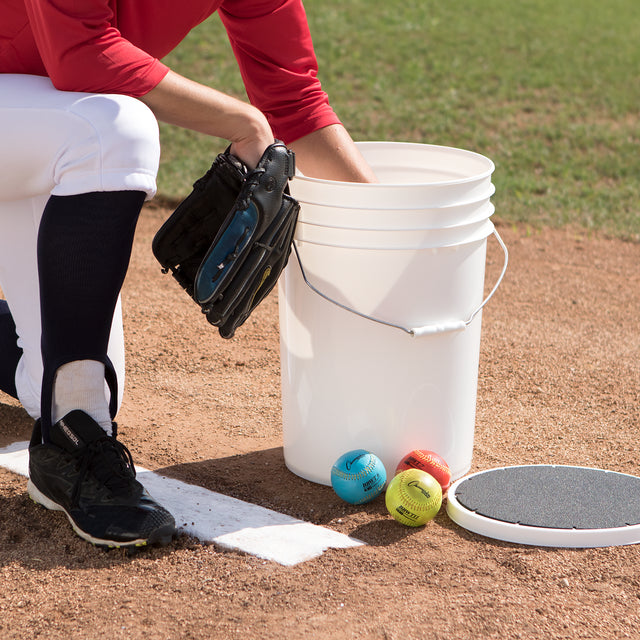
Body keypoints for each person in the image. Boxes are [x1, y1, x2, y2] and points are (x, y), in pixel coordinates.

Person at [0, 0, 377, 549]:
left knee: (67, 382)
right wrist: (243, 122)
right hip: (51, 118)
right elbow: (80, 54)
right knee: (114, 130)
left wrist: (394, 230)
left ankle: (62, 410)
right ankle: (69, 449)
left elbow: (294, 103)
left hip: (37, 128)